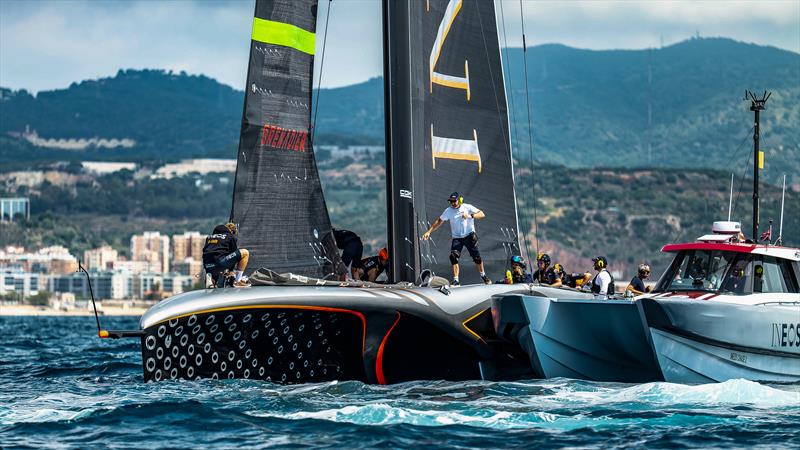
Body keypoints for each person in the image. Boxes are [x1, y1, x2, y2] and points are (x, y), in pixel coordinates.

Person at [421, 192, 491, 285]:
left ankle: (483, 276)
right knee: (453, 257)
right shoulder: (448, 211)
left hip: (469, 236)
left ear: (460, 200)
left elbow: (482, 214)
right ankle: (456, 280)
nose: (453, 203)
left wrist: (470, 216)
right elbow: (439, 221)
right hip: (457, 238)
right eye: (451, 201)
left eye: (454, 201)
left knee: (477, 258)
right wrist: (429, 231)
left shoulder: (467, 207)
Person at [202, 223, 250, 288]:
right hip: (220, 262)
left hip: (208, 265)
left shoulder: (209, 237)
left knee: (215, 267)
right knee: (245, 252)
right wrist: (231, 271)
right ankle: (238, 281)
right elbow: (233, 252)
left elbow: (206, 252)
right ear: (231, 231)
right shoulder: (229, 236)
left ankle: (211, 280)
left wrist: (207, 269)